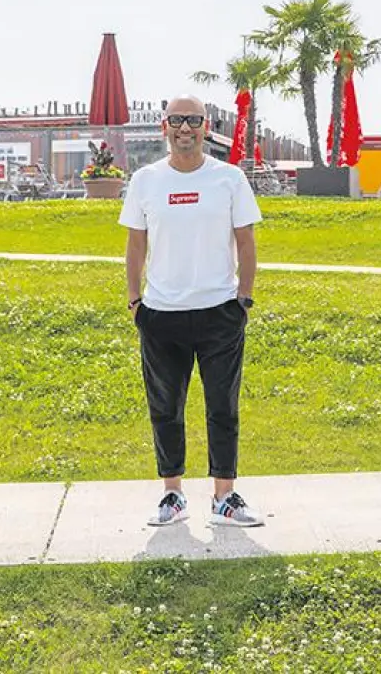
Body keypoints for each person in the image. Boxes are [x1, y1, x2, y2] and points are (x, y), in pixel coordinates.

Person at [119, 94, 265, 528]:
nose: (186, 128)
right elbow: (135, 244)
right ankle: (173, 495)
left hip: (220, 312)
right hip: (161, 314)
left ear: (207, 127)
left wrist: (243, 300)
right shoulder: (146, 180)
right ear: (164, 126)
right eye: (178, 120)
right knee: (166, 407)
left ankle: (224, 497)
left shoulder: (229, 178)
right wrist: (135, 302)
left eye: (194, 120)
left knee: (223, 407)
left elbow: (246, 241)